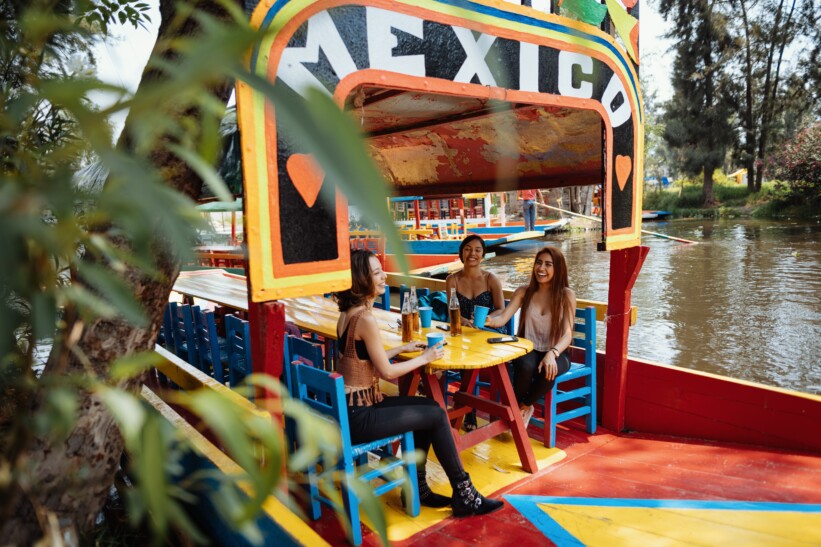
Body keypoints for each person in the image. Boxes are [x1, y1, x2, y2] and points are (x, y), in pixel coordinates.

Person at [335, 250, 504, 517]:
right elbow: (388, 372)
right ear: (361, 279)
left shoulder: (348, 314)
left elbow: (362, 357)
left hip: (352, 409)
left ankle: (419, 487)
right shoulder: (365, 318)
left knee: (427, 408)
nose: (384, 276)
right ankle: (464, 492)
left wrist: (403, 347)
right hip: (361, 417)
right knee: (436, 413)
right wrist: (425, 356)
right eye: (376, 272)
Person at [484, 246, 576, 426]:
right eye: (539, 263)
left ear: (558, 268)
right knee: (525, 366)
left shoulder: (566, 295)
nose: (541, 268)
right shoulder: (523, 292)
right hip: (528, 348)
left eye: (548, 264)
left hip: (558, 352)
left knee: (549, 370)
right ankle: (519, 410)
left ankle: (523, 407)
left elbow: (567, 334)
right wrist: (488, 321)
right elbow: (502, 318)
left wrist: (553, 353)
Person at [445, 235, 505, 430]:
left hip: (487, 333)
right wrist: (463, 321)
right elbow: (451, 310)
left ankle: (467, 409)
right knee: (461, 353)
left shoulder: (491, 279)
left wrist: (487, 318)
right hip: (463, 333)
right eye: (468, 249)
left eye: (478, 250)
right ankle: (467, 410)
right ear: (461, 252)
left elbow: (501, 309)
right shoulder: (452, 280)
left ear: (483, 254)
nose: (473, 253)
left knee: (467, 354)